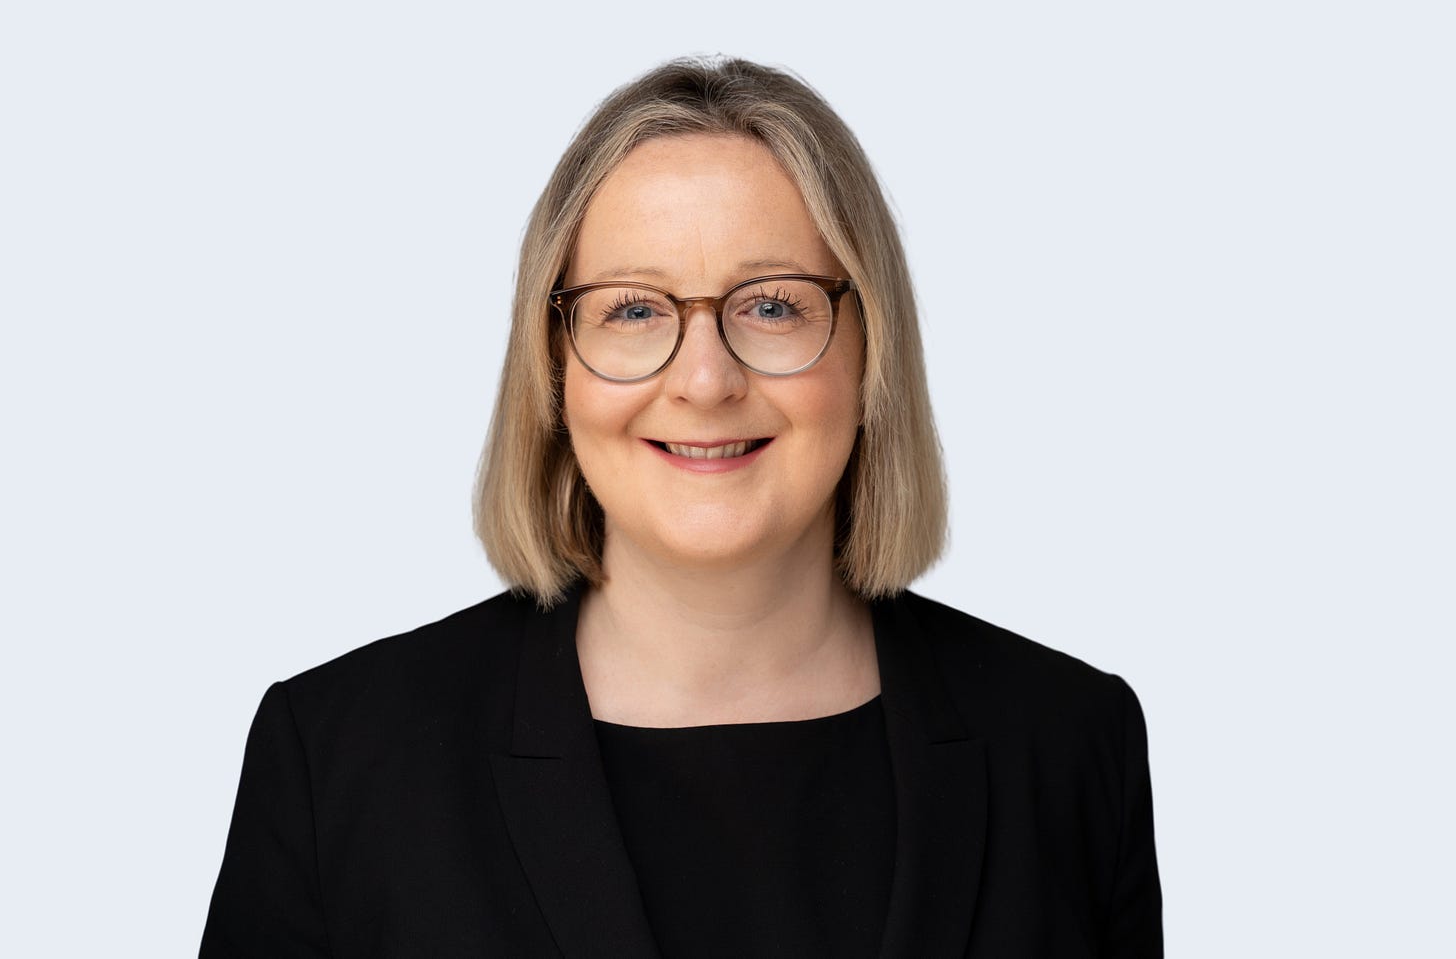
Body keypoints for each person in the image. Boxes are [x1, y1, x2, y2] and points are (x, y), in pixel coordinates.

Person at [200, 56, 1163, 958]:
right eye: (633, 309)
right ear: (554, 367)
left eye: (773, 304)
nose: (705, 380)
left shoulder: (1073, 745)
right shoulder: (336, 759)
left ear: (871, 351)